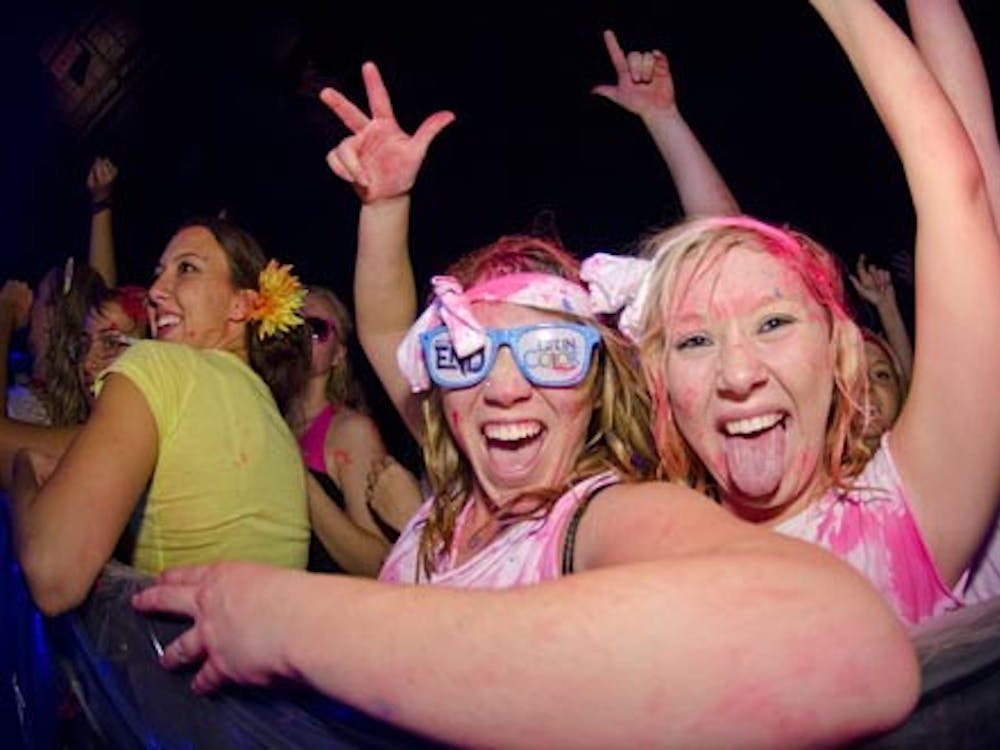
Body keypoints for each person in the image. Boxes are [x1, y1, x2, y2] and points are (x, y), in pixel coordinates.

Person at [130, 57, 918, 748]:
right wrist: (383, 208)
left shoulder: (593, 518)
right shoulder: (456, 491)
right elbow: (381, 327)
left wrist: (298, 624)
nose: (504, 387)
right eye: (469, 355)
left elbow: (843, 646)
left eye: (549, 355)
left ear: (597, 387)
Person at [588, 0, 1000, 625]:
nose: (738, 373)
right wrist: (665, 121)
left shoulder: (906, 515)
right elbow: (727, 268)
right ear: (658, 380)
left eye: (774, 324)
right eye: (694, 343)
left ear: (840, 347)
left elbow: (958, 188)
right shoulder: (645, 570)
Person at [8, 217, 312, 616]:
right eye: (158, 274)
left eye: (187, 268)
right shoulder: (269, 414)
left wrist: (25, 472)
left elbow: (53, 575)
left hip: (169, 672)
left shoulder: (161, 365)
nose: (154, 292)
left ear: (242, 304)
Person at [287, 285, 420, 575]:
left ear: (339, 354)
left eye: (316, 329)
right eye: (291, 324)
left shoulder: (350, 431)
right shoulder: (269, 418)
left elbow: (377, 562)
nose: (300, 337)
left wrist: (297, 473)